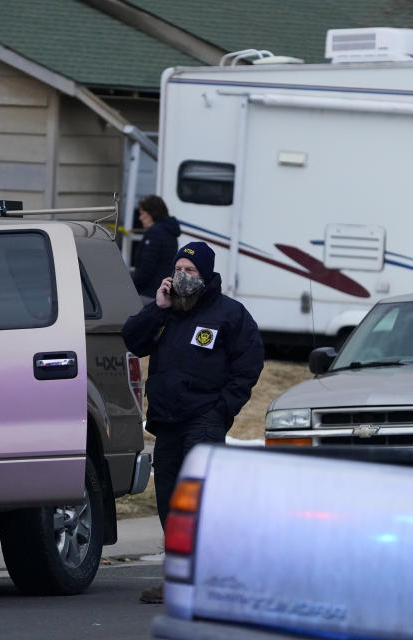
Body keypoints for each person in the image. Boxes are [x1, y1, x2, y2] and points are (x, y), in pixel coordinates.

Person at [123, 241, 264, 604]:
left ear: (205, 275)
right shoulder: (167, 313)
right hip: (168, 422)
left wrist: (222, 410)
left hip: (204, 420)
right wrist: (157, 309)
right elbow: (134, 342)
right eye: (179, 270)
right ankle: (177, 580)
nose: (183, 277)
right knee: (170, 502)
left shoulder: (229, 314)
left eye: (190, 271)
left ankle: (211, 579)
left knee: (200, 502)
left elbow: (248, 365)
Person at [131, 195, 180, 306]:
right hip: (163, 294)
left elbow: (146, 268)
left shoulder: (154, 233)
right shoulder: (171, 233)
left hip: (147, 294)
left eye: (143, 213)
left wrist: (131, 287)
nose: (140, 218)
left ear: (152, 213)